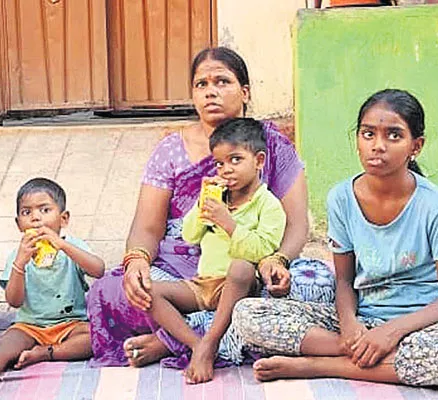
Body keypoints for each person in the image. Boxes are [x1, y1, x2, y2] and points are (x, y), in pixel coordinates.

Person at [87, 46, 335, 369]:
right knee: (116, 290)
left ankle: (172, 339)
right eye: (201, 85)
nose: (210, 92)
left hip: (251, 269)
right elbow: (147, 227)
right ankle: (207, 334)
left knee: (316, 286)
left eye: (222, 81)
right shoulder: (171, 150)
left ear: (244, 92)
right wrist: (137, 261)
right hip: (181, 273)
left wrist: (277, 262)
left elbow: (296, 224)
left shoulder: (271, 145)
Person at [232, 89, 438, 386]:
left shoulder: (435, 206)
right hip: (362, 318)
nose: (378, 146)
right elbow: (343, 281)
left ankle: (318, 366)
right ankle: (358, 354)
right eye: (368, 134)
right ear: (357, 140)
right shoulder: (341, 198)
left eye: (393, 136)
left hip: (420, 326)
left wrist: (390, 333)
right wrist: (350, 327)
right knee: (247, 313)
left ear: (416, 146)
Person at [147, 118, 286, 383]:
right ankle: (196, 344)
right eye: (220, 163)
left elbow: (262, 249)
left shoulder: (268, 205)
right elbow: (190, 235)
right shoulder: (216, 198)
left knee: (241, 267)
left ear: (259, 161)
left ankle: (210, 343)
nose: (226, 170)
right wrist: (204, 202)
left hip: (239, 286)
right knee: (150, 292)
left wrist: (228, 222)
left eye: (236, 160)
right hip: (204, 285)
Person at [0, 178, 105, 394]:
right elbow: (14, 301)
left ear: (63, 218)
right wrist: (20, 264)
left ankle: (47, 353)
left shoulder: (71, 247)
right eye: (27, 212)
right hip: (29, 326)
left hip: (71, 324)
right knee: (4, 346)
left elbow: (99, 270)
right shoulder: (18, 256)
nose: (36, 217)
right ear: (19, 224)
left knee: (97, 337)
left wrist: (64, 246)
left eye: (45, 210)